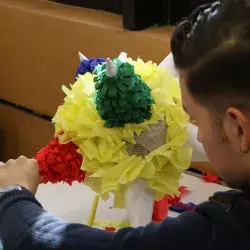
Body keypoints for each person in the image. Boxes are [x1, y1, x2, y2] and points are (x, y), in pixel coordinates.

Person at [1, 0, 250, 249]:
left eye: (194, 118)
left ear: (238, 128)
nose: (199, 135)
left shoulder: (228, 231)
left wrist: (12, 196)